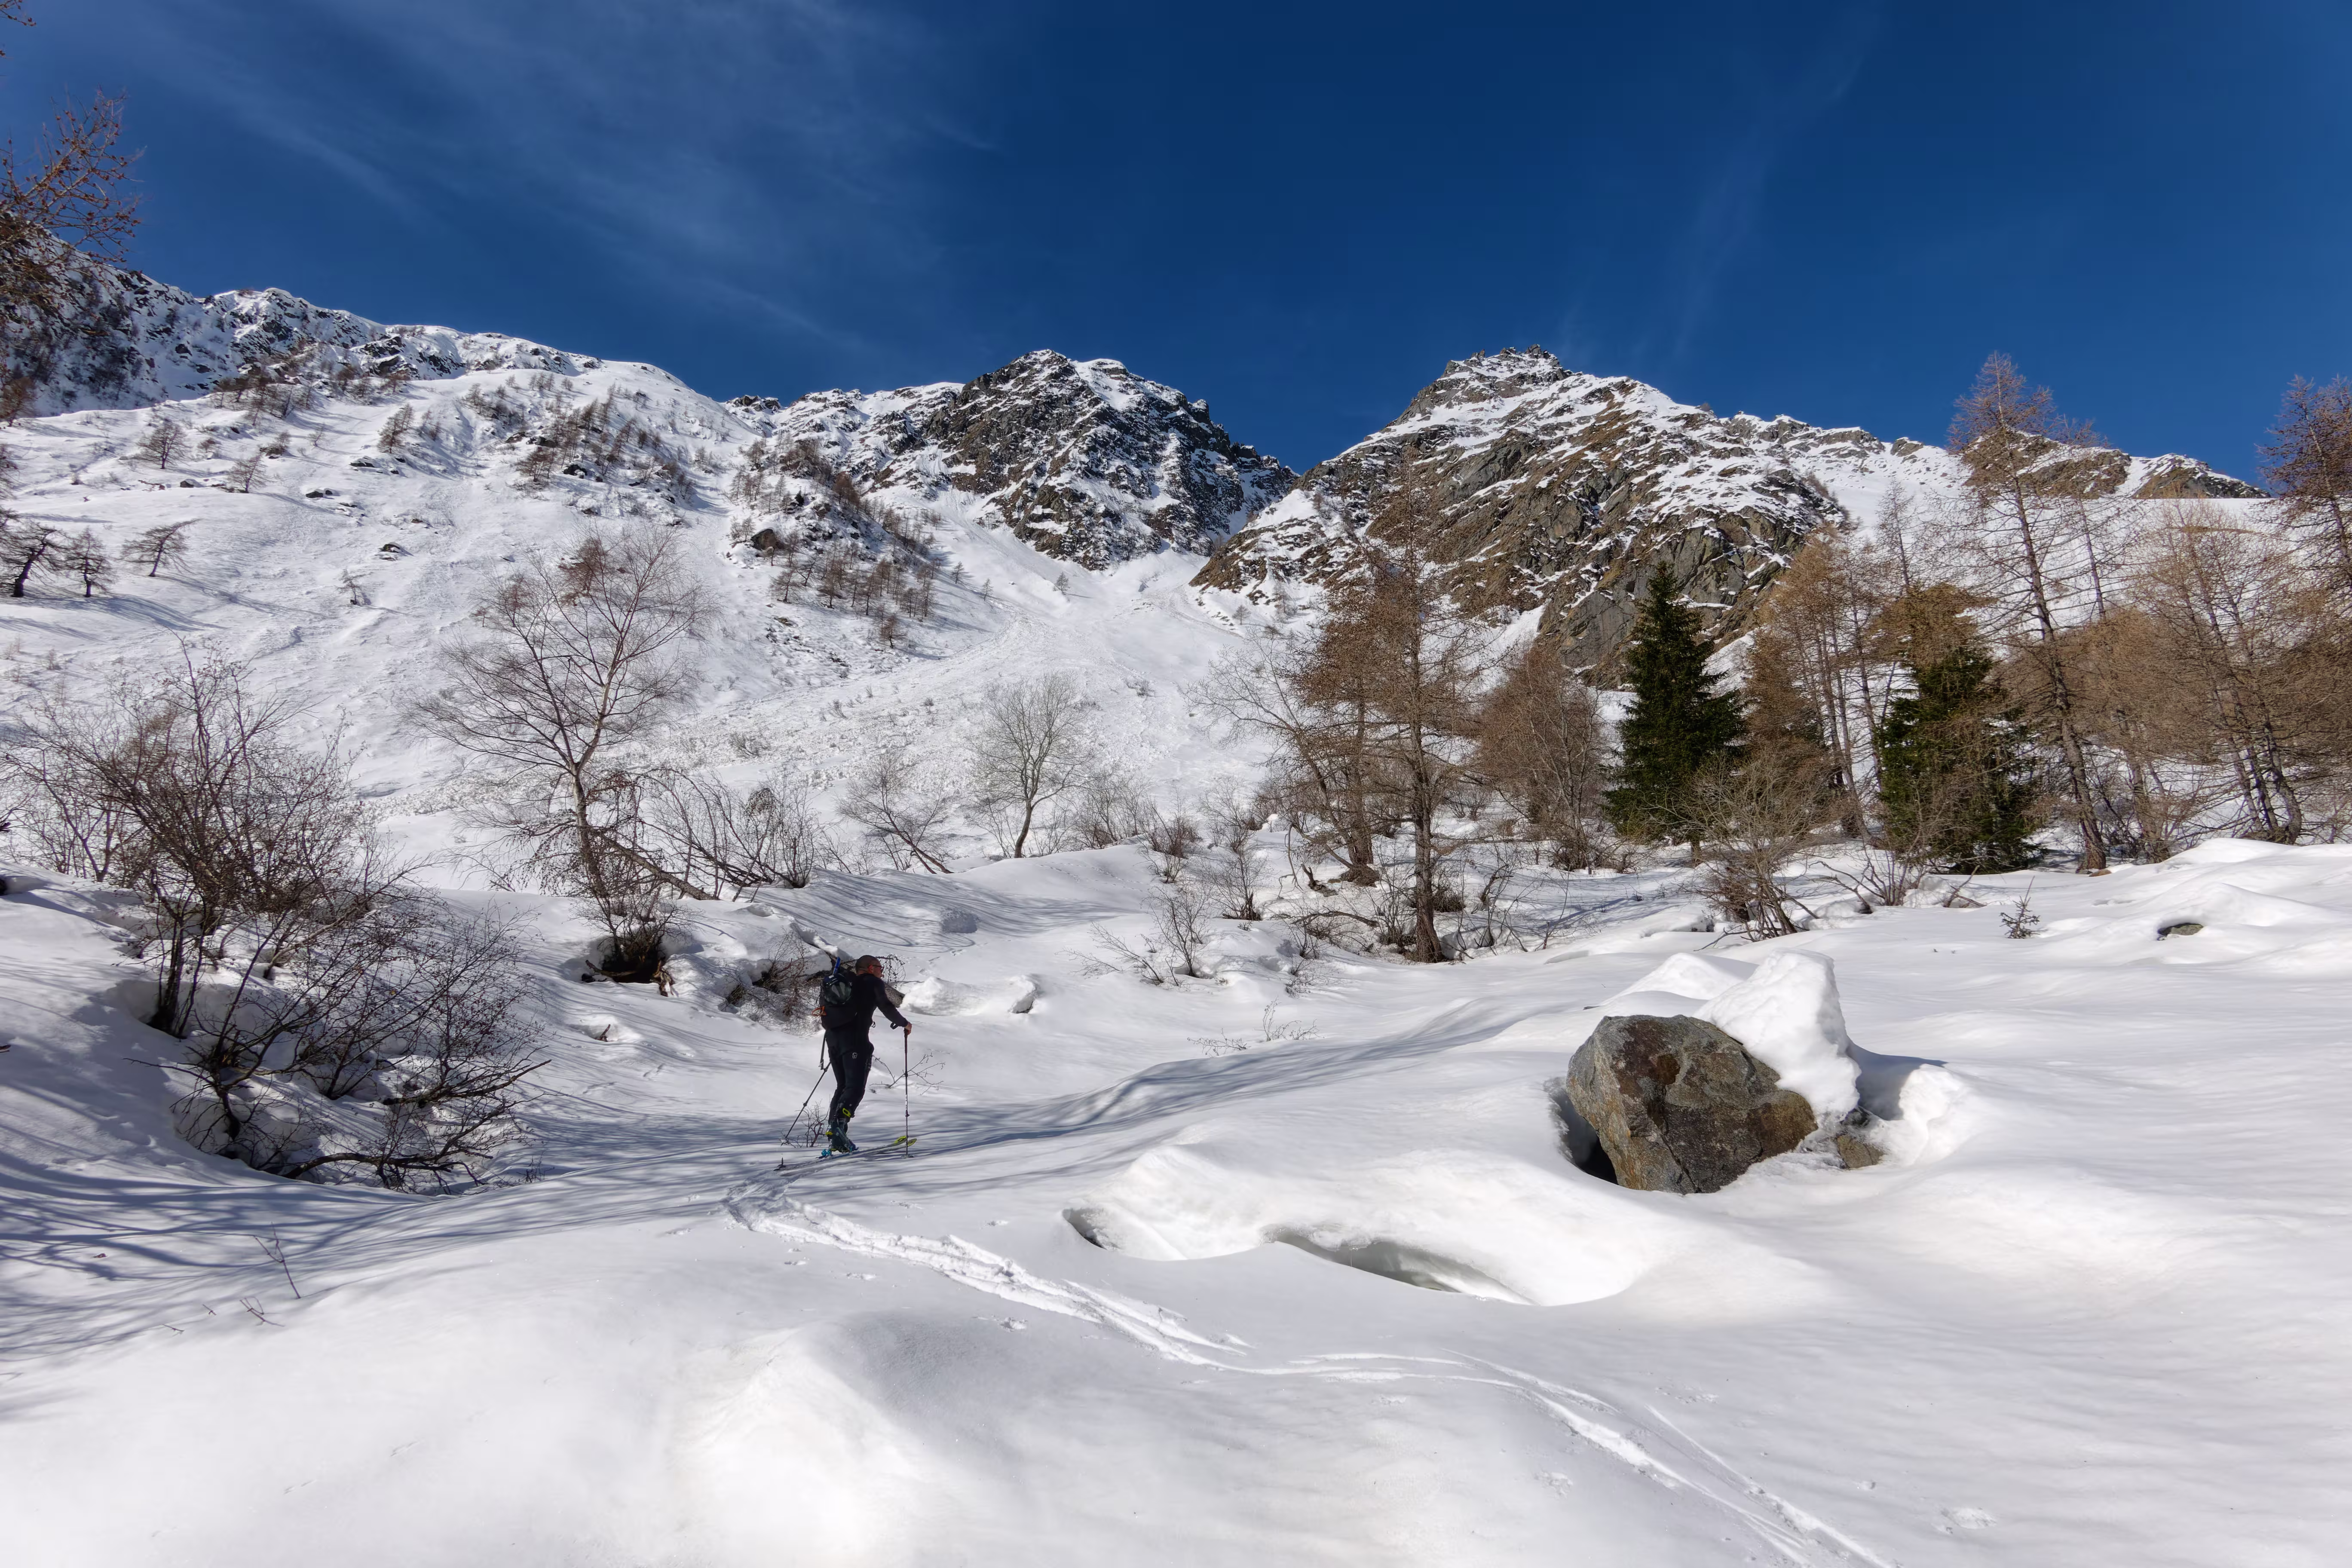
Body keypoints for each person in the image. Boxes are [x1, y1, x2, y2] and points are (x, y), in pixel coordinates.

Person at [821, 954, 910, 1154]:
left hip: (833, 1040)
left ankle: (836, 1133)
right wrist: (905, 1024)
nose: (882, 972)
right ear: (871, 968)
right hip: (855, 1041)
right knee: (855, 1087)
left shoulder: (846, 982)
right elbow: (886, 1006)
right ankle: (838, 1127)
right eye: (880, 968)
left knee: (843, 1087)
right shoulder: (872, 982)